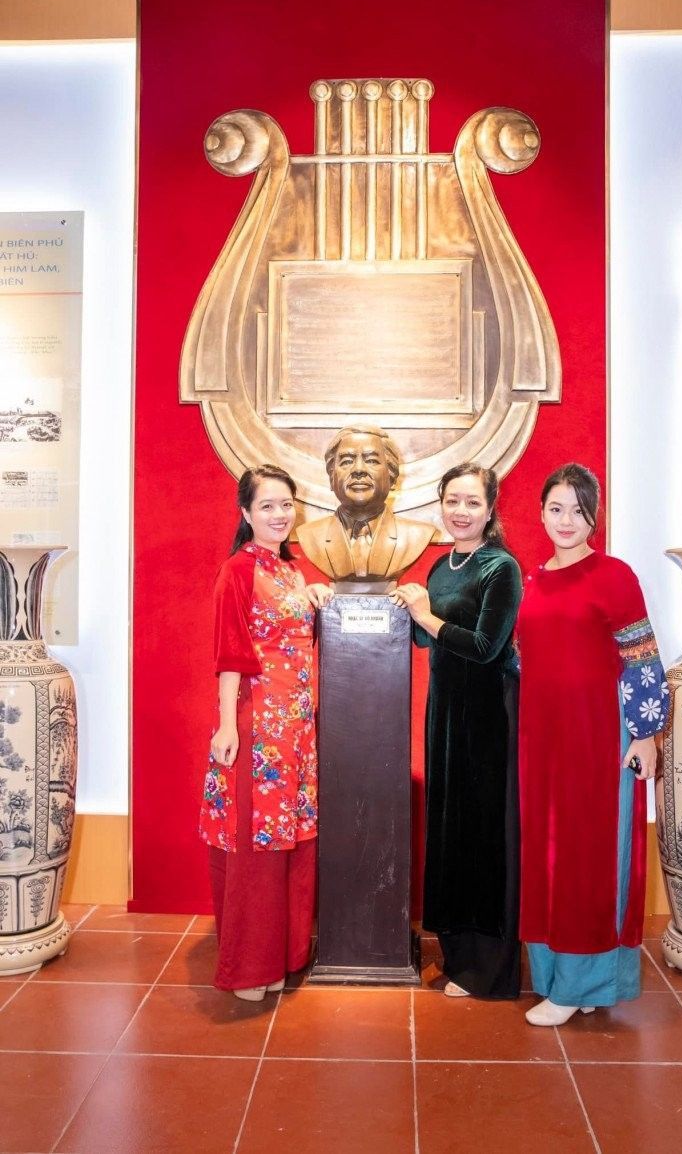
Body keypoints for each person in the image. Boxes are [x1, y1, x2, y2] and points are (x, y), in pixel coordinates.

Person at [518, 463, 669, 1026]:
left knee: (589, 856)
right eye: (556, 509)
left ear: (594, 517)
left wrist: (647, 735)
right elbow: (527, 660)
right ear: (540, 513)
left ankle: (585, 982)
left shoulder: (614, 576)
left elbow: (643, 660)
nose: (566, 521)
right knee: (547, 857)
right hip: (541, 742)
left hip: (599, 738)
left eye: (578, 511)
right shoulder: (533, 581)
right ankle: (562, 980)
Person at [199, 464, 332, 1001]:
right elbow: (230, 652)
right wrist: (227, 724)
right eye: (267, 506)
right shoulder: (237, 570)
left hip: (297, 727)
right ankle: (250, 967)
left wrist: (315, 594)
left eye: (285, 505)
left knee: (290, 841)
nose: (279, 515)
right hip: (258, 726)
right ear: (246, 513)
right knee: (257, 844)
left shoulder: (291, 571)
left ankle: (284, 956)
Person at [392, 462, 521, 998]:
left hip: (488, 715)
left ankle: (488, 971)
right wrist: (400, 606)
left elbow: (487, 647)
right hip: (444, 711)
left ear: (490, 509)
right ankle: (456, 955)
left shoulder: (501, 568)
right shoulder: (441, 566)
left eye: (472, 502)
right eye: (452, 500)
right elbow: (428, 642)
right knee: (450, 830)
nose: (461, 511)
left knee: (483, 834)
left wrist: (424, 615)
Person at [296, 424, 437, 582]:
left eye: (371, 461)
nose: (358, 469)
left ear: (391, 476)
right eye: (346, 461)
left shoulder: (415, 535)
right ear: (331, 477)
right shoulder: (310, 535)